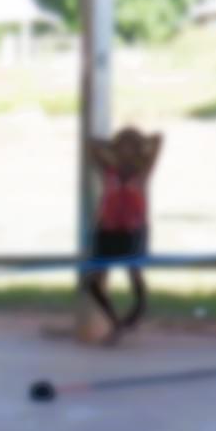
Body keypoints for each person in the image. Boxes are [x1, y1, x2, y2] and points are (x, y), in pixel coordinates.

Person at [87, 127, 162, 338]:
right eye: (122, 148)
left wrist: (143, 141)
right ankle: (114, 320)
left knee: (134, 273)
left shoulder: (143, 171)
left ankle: (136, 313)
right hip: (107, 230)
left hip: (133, 231)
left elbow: (157, 138)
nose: (126, 153)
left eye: (131, 148)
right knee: (93, 280)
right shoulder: (108, 171)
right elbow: (91, 144)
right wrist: (110, 147)